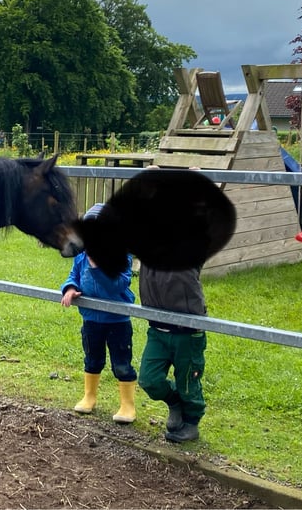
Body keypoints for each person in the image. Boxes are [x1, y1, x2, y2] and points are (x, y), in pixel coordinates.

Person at [137, 167, 208, 443]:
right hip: (157, 327)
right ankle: (174, 402)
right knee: (149, 379)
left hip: (187, 328)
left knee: (189, 381)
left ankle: (192, 421)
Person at [60, 203, 137, 423]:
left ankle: (127, 405)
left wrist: (97, 268)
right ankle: (89, 397)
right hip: (91, 319)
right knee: (92, 359)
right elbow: (73, 275)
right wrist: (70, 288)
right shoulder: (82, 257)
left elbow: (117, 285)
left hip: (117, 321)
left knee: (121, 362)